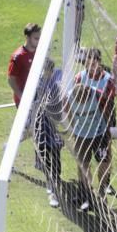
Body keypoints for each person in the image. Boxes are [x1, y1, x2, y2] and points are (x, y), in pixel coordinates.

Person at [67, 47, 116, 211]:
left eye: (95, 61)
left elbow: (109, 102)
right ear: (85, 62)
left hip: (100, 130)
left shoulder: (107, 79)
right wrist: (73, 126)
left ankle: (102, 193)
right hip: (82, 131)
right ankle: (85, 195)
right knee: (82, 163)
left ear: (99, 61)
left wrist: (109, 127)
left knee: (104, 162)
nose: (92, 65)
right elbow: (71, 101)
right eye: (89, 61)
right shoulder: (79, 77)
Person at [32, 58, 65, 208]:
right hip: (41, 124)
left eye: (47, 71)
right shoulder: (37, 82)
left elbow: (59, 106)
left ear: (50, 70)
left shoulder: (57, 83)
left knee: (56, 156)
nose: (45, 73)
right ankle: (51, 186)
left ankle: (55, 178)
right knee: (45, 154)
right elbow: (34, 101)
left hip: (54, 125)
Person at [8, 23, 41, 106]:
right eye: (36, 38)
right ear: (27, 37)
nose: (39, 41)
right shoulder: (18, 56)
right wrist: (21, 97)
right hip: (24, 100)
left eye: (39, 38)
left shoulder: (39, 51)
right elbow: (11, 79)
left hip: (37, 95)